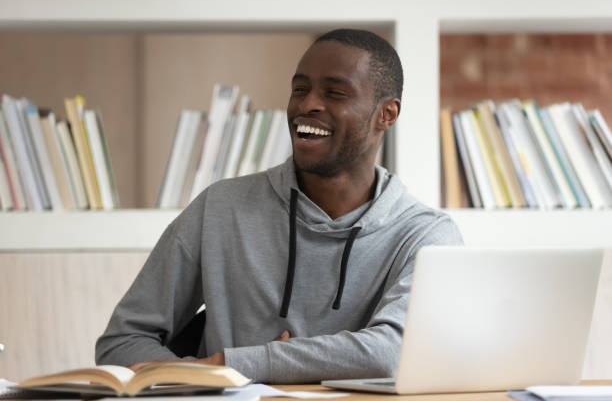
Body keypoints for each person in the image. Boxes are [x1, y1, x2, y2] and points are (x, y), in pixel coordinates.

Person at [95, 28, 463, 383]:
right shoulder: (221, 208)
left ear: (387, 114)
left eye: (334, 93)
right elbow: (121, 343)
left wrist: (238, 363)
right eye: (299, 89)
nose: (307, 105)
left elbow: (395, 352)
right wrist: (204, 377)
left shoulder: (426, 235)